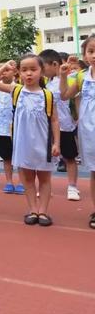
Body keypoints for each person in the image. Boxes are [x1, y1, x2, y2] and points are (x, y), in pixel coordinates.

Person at [0, 56, 60, 227]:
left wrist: (56, 143)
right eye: (24, 70)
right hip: (23, 143)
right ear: (19, 73)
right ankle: (33, 210)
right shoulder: (16, 90)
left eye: (33, 69)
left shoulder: (47, 95)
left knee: (44, 179)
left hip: (43, 144)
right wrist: (5, 66)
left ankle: (43, 211)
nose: (29, 73)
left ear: (41, 71)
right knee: (27, 179)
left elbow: (55, 121)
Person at [60, 35, 95, 230]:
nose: (94, 55)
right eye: (90, 51)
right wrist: (64, 75)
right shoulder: (82, 76)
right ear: (85, 55)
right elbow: (65, 95)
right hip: (89, 130)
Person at [40, 49, 80, 201]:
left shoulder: (69, 79)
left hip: (66, 125)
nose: (41, 71)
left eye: (43, 67)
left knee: (70, 157)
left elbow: (75, 99)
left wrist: (78, 119)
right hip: (49, 128)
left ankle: (72, 186)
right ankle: (46, 186)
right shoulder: (46, 84)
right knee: (48, 158)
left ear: (54, 64)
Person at [0, 61, 25, 195]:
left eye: (6, 70)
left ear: (15, 72)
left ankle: (22, 182)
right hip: (1, 129)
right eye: (0, 70)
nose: (3, 72)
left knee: (20, 157)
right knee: (6, 157)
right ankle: (9, 181)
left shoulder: (19, 88)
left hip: (16, 129)